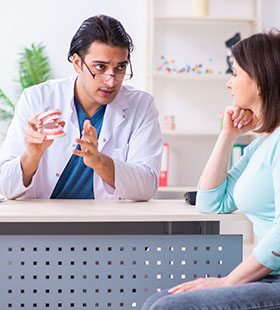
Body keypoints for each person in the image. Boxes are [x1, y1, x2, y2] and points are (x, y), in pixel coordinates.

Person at [142, 29, 280, 309]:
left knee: (168, 307)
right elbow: (210, 202)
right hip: (267, 276)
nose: (228, 83)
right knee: (160, 301)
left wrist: (228, 281)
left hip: (274, 279)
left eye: (235, 73)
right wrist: (228, 136)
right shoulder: (263, 142)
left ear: (259, 83)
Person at [0, 15, 162, 200]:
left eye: (120, 68)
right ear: (77, 63)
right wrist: (31, 156)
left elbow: (147, 187)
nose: (111, 81)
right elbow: (5, 186)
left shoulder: (141, 106)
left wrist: (99, 161)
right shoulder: (38, 99)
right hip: (44, 222)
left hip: (107, 224)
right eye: (100, 67)